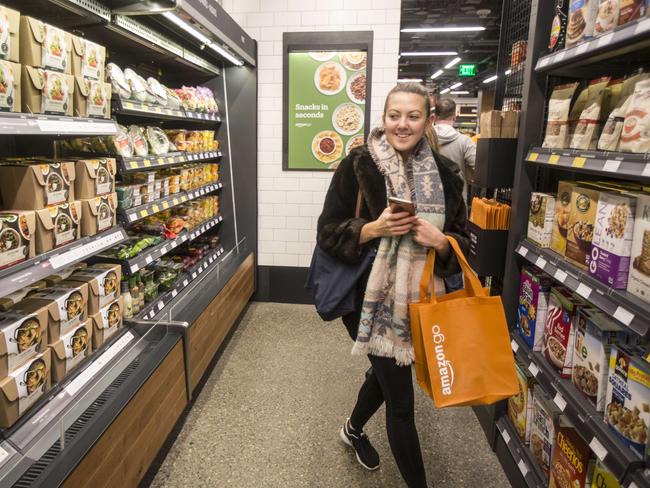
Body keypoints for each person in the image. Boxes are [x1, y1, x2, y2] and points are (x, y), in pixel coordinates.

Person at [316, 83, 469, 488]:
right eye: (394, 115)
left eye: (413, 116)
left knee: (386, 379)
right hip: (365, 299)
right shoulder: (358, 165)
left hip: (423, 300)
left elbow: (465, 242)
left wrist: (442, 243)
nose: (402, 124)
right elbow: (327, 231)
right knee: (401, 402)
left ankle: (350, 429)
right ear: (383, 119)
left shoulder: (448, 177)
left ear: (428, 121)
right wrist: (371, 228)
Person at [433, 98, 476, 293]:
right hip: (456, 205)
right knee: (453, 248)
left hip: (428, 205)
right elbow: (479, 169)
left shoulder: (424, 138)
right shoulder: (464, 141)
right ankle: (454, 295)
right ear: (454, 116)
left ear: (433, 116)